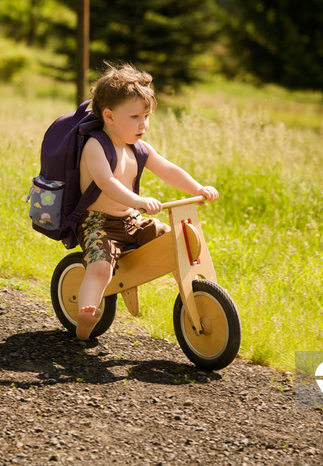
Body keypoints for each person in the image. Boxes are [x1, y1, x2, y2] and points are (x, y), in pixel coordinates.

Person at [75, 63, 218, 340]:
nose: (143, 124)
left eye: (147, 116)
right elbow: (108, 183)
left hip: (130, 220)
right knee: (100, 266)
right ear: (109, 116)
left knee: (176, 242)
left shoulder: (139, 148)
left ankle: (194, 292)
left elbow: (168, 170)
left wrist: (197, 188)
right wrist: (138, 200)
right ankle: (87, 312)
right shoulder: (96, 146)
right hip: (98, 223)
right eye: (135, 117)